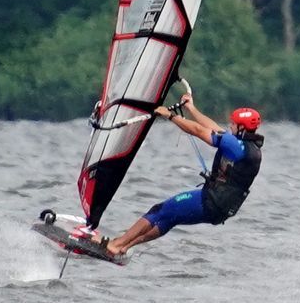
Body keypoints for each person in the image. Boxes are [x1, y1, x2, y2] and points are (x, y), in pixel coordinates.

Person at [97, 88, 263, 259]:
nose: (230, 126)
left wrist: (170, 116)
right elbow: (213, 128)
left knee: (160, 210)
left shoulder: (237, 147)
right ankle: (124, 246)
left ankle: (116, 245)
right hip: (222, 207)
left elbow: (199, 131)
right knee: (169, 218)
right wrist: (191, 108)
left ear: (241, 128)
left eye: (234, 124)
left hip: (211, 201)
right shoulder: (247, 147)